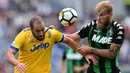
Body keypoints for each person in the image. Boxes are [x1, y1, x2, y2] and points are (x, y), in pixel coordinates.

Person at [5, 16, 79, 73]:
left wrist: (82, 51)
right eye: (37, 31)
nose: (41, 33)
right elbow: (9, 54)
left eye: (42, 30)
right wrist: (17, 63)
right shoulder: (23, 36)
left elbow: (69, 40)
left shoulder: (50, 33)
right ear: (31, 29)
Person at [66, 1, 125, 73]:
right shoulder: (92, 25)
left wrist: (90, 50)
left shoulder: (118, 29)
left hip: (112, 71)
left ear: (110, 14)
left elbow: (112, 53)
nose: (99, 18)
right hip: (93, 71)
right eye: (98, 15)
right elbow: (71, 37)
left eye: (102, 15)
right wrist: (53, 32)